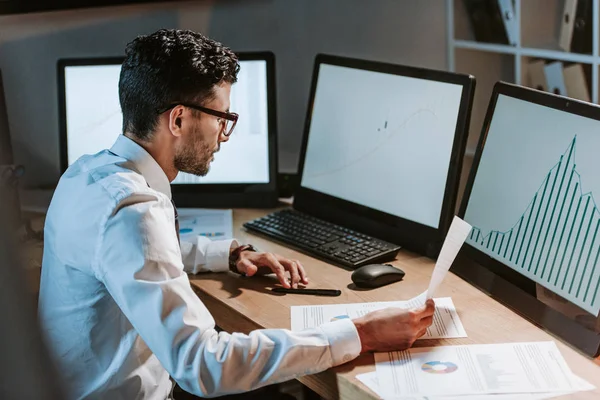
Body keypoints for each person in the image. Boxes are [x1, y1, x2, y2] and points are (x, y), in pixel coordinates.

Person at [38, 29, 435, 399]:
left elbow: (128, 256)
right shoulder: (132, 213)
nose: (224, 135)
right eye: (221, 118)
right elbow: (203, 364)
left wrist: (227, 254)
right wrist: (360, 333)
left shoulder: (87, 174)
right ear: (178, 119)